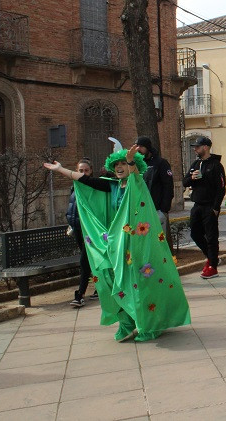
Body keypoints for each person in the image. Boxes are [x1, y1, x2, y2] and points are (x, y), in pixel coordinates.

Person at [44, 144, 190, 342]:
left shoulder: (136, 183)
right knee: (116, 281)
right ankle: (128, 323)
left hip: (138, 245)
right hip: (119, 244)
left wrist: (131, 161)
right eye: (117, 164)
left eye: (124, 164)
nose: (120, 167)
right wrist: (61, 169)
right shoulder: (112, 186)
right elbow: (87, 180)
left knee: (138, 282)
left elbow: (135, 175)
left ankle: (146, 323)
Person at [182, 136, 226, 279]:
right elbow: (185, 181)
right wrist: (192, 178)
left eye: (197, 146)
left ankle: (213, 267)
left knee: (212, 236)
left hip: (210, 206)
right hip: (197, 204)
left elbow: (221, 188)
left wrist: (216, 207)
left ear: (205, 147)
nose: (195, 149)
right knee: (195, 233)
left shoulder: (216, 165)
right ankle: (211, 257)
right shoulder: (196, 163)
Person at [66, 158, 96, 307]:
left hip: (90, 231)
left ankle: (80, 295)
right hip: (77, 228)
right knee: (90, 260)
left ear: (91, 171)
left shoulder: (93, 187)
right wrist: (70, 223)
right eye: (80, 170)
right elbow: (72, 207)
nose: (83, 173)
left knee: (84, 261)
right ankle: (99, 285)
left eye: (86, 170)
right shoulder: (74, 186)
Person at [135, 136, 174, 240]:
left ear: (148, 147)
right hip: (142, 211)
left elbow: (168, 186)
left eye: (141, 146)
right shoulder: (138, 165)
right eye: (137, 146)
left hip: (157, 210)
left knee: (158, 241)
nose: (138, 149)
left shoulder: (161, 163)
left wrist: (164, 209)